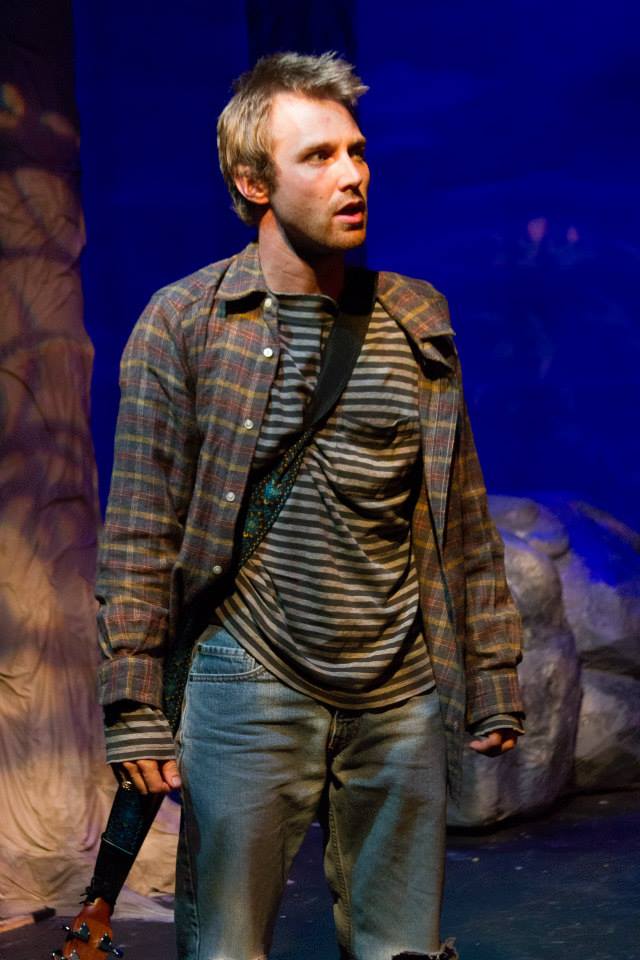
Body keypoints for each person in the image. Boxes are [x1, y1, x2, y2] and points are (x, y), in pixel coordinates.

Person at [96, 52, 525, 960]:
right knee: (228, 947)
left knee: (402, 949)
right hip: (247, 679)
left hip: (398, 688)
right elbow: (138, 528)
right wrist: (133, 700)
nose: (352, 174)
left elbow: (459, 513)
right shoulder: (185, 323)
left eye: (357, 151)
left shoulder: (415, 318)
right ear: (255, 182)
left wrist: (490, 672)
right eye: (319, 156)